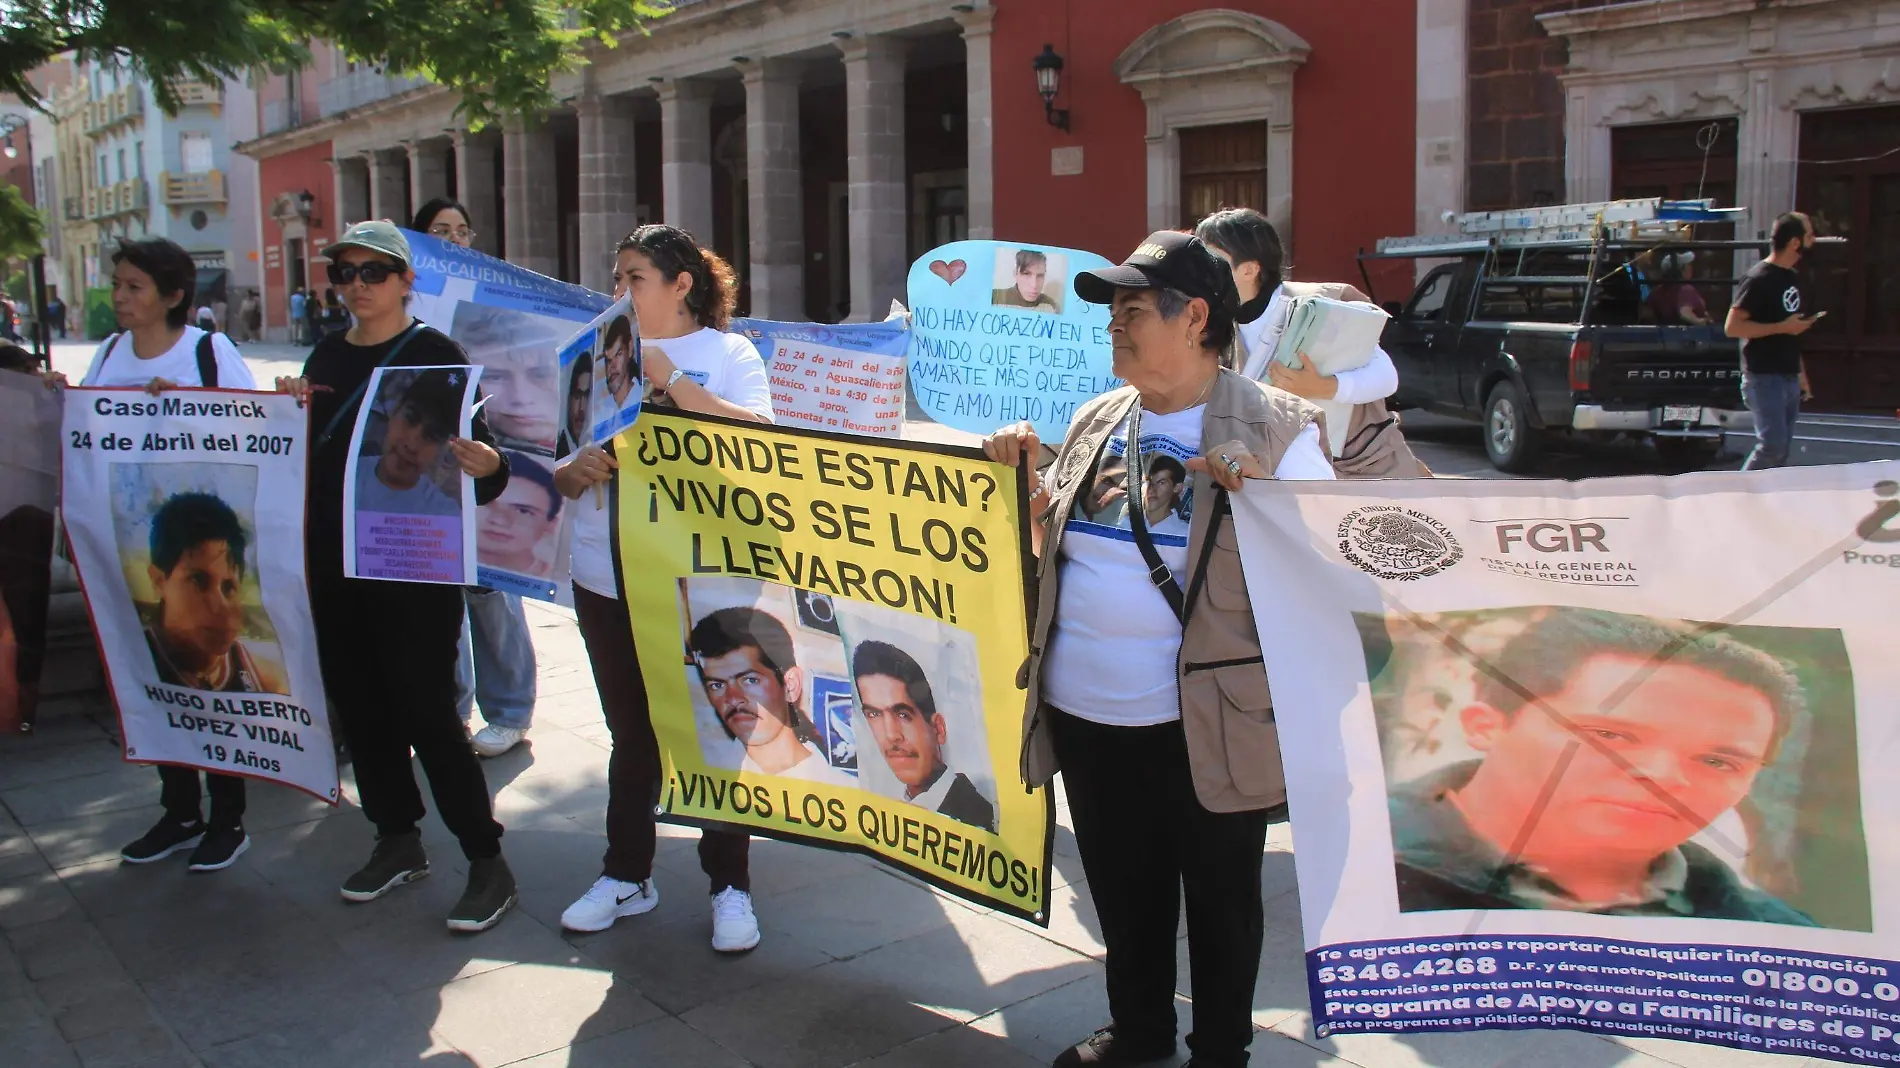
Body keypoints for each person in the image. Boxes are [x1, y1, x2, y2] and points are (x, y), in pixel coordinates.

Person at [984, 230, 1334, 1068]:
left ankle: (1220, 1051)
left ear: (1196, 318)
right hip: (1087, 711)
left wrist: (1266, 496)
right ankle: (1139, 1030)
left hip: (1208, 719)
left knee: (1221, 901)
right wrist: (1021, 496)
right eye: (1112, 314)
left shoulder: (1280, 429)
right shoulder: (1097, 418)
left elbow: (1332, 569)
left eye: (1133, 311)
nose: (1115, 327)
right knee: (1121, 887)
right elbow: (1051, 552)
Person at [275, 220, 518, 933]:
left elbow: (485, 468)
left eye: (372, 272)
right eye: (343, 273)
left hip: (412, 565)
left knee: (427, 711)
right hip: (334, 561)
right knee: (361, 706)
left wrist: (489, 465)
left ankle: (486, 860)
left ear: (406, 281)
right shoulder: (325, 354)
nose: (356, 286)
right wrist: (287, 411)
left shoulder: (435, 355)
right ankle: (396, 838)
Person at [554, 224, 777, 950]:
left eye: (636, 277)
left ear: (682, 284)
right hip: (605, 573)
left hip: (704, 576)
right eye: (616, 276)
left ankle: (730, 885)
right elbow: (562, 463)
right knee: (631, 733)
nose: (620, 290)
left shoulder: (728, 354)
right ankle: (626, 874)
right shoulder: (596, 353)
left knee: (718, 731)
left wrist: (670, 380)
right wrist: (575, 470)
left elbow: (763, 443)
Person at [1386, 608, 1816, 926]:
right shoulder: (1357, 860)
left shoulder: (1777, 933)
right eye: (1610, 736)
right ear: (1487, 726)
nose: (1665, 776)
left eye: (1718, 761)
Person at [50, 238, 261, 872]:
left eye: (133, 286)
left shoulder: (207, 352)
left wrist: (188, 413)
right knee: (156, 679)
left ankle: (228, 818)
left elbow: (253, 430)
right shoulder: (109, 354)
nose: (119, 296)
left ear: (172, 296)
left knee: (214, 689)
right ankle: (180, 810)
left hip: (204, 546)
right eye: (118, 283)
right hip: (133, 549)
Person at [412, 198, 540, 760]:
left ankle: (510, 711)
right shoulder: (403, 306)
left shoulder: (489, 300)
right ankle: (454, 706)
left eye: (462, 230)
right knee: (441, 592)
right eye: (440, 231)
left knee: (491, 590)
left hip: (489, 460)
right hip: (425, 468)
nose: (454, 240)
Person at [1196, 207, 1423, 479]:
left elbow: (1386, 377)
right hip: (1294, 478)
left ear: (1249, 269)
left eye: (1211, 260)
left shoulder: (1320, 307)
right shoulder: (1215, 324)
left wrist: (1323, 387)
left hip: (1371, 469)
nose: (1202, 272)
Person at [141, 491, 281, 697]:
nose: (220, 606)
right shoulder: (131, 664)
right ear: (159, 581)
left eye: (228, 587)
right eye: (198, 581)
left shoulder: (265, 681)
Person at [690, 606, 851, 783]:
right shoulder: (698, 781)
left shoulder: (846, 789)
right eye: (717, 685)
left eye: (750, 680)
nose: (733, 698)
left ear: (790, 685)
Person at [852, 639, 995, 832]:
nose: (891, 735)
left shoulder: (979, 820)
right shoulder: (890, 809)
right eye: (874, 714)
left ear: (938, 728)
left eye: (903, 715)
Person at [1726, 212, 1819, 471]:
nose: (1813, 241)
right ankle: (1738, 491)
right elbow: (1732, 327)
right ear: (1795, 242)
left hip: (1788, 375)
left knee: (1781, 452)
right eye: (1810, 235)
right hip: (1763, 377)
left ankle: (1766, 496)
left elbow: (1791, 331)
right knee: (1772, 447)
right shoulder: (1758, 278)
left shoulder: (1792, 277)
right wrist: (1781, 327)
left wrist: (1801, 375)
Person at [354, 371, 464, 517]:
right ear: (395, 411)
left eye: (433, 435)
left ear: (446, 448)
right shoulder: (343, 478)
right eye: (410, 418)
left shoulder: (444, 514)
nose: (412, 446)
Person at [478, 452, 561, 578]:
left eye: (523, 511)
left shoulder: (562, 583)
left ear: (550, 525)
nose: (499, 520)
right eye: (484, 502)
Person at [1647, 252, 1711, 326]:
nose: (1691, 268)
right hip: (1691, 332)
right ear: (1680, 270)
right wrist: (1701, 322)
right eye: (1688, 265)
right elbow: (1684, 312)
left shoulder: (1656, 291)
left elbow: (1648, 313)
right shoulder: (1686, 289)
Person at [993, 249, 1059, 313]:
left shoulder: (1051, 306)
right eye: (1026, 274)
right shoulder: (994, 298)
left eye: (1040, 276)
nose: (1034, 285)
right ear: (1015, 273)